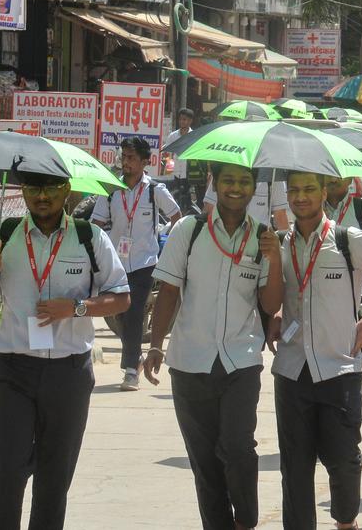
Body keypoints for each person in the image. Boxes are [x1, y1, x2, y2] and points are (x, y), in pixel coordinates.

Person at [0, 171, 131, 530]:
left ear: (66, 191)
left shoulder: (89, 237)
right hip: (14, 370)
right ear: (22, 192)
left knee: (55, 476)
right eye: (33, 189)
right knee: (8, 467)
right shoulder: (4, 235)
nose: (42, 197)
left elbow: (121, 297)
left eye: (51, 189)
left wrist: (77, 308)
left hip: (69, 373)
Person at [269, 171, 362, 530]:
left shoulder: (347, 239)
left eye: (309, 189)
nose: (301, 197)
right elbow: (275, 295)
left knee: (344, 459)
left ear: (324, 193)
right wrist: (273, 311)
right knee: (295, 465)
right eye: (294, 191)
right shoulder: (279, 243)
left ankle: (345, 523)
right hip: (291, 369)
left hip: (339, 368)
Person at [143, 163, 284, 530]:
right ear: (214, 184)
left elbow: (270, 306)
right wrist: (156, 345)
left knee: (238, 448)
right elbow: (169, 291)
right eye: (228, 180)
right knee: (204, 460)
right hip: (190, 361)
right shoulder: (188, 232)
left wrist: (274, 259)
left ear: (254, 188)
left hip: (241, 360)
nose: (236, 188)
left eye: (244, 181)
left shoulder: (264, 237)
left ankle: (246, 521)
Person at [91, 137, 182, 391]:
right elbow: (97, 224)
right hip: (115, 263)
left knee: (133, 313)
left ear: (145, 162)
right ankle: (134, 356)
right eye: (124, 157)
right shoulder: (110, 190)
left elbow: (177, 217)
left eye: (132, 158)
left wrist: (171, 251)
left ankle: (130, 370)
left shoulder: (155, 191)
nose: (126, 162)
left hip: (145, 262)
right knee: (119, 314)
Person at [204, 170, 290, 230]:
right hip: (227, 237)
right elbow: (210, 207)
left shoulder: (273, 175)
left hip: (260, 240)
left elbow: (280, 216)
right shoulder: (225, 172)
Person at [164, 107, 198, 211]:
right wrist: (169, 171)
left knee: (188, 199)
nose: (182, 122)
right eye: (180, 119)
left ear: (190, 121)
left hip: (188, 173)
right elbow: (168, 154)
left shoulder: (194, 136)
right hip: (175, 173)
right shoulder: (173, 136)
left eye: (185, 119)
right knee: (174, 197)